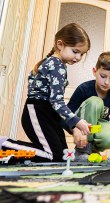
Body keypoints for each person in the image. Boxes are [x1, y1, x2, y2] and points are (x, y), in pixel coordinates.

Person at [0, 23, 91, 162]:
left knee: (61, 157)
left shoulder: (57, 65)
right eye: (75, 51)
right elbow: (57, 102)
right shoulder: (56, 65)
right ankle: (5, 145)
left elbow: (54, 106)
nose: (78, 57)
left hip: (47, 113)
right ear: (60, 45)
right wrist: (76, 121)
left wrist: (73, 127)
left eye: (82, 54)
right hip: (37, 111)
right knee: (53, 156)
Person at [67, 51, 110, 160]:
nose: (106, 82)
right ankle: (82, 150)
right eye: (103, 76)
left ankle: (93, 151)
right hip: (80, 123)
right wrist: (74, 128)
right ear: (94, 71)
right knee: (95, 102)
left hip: (99, 124)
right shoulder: (84, 88)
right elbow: (66, 115)